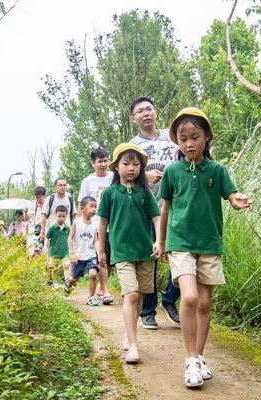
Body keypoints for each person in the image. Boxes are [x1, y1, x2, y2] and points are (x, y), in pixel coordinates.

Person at [156, 107, 252, 387]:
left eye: (194, 137)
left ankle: (198, 356)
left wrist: (238, 200)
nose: (189, 143)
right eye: (183, 138)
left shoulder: (217, 170)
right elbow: (165, 208)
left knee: (205, 302)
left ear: (206, 136)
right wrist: (161, 241)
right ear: (177, 141)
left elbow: (230, 195)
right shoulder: (172, 172)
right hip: (180, 243)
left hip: (209, 243)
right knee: (189, 298)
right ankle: (190, 359)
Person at [97, 143, 161, 364]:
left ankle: (129, 333)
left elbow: (156, 217)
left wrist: (159, 241)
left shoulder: (145, 193)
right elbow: (103, 223)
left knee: (141, 295)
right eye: (126, 163)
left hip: (145, 251)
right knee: (131, 294)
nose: (131, 168)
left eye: (136, 164)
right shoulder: (110, 193)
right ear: (116, 167)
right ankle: (133, 346)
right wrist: (100, 250)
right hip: (122, 251)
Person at [129, 96, 181, 330]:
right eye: (140, 111)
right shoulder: (133, 147)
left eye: (149, 109)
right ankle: (147, 311)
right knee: (150, 259)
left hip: (176, 206)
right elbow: (123, 178)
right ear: (134, 119)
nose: (146, 113)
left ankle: (170, 298)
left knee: (181, 253)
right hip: (147, 209)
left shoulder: (173, 139)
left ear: (156, 112)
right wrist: (144, 177)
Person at [77, 147, 114, 305]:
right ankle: (105, 290)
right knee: (102, 257)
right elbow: (81, 205)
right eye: (100, 161)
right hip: (97, 225)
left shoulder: (114, 177)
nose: (103, 164)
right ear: (93, 163)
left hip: (115, 223)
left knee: (111, 259)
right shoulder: (87, 181)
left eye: (106, 160)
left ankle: (101, 287)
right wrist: (81, 226)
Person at [65, 196, 100, 306]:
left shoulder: (95, 224)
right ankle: (68, 283)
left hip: (90, 254)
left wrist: (99, 253)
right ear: (83, 208)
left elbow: (96, 240)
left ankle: (90, 297)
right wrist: (72, 253)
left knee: (93, 274)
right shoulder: (76, 222)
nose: (94, 209)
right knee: (74, 279)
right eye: (91, 206)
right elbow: (70, 238)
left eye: (95, 207)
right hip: (78, 255)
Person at [38, 177, 77, 245]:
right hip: (52, 234)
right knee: (52, 254)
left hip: (66, 233)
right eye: (60, 185)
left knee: (66, 254)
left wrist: (75, 231)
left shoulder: (70, 199)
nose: (63, 187)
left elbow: (74, 216)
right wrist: (42, 232)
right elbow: (43, 216)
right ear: (55, 187)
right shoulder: (50, 199)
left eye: (64, 185)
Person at [45, 205, 71, 285]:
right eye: (59, 216)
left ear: (66, 216)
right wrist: (45, 247)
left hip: (65, 252)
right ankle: (55, 283)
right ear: (56, 216)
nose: (61, 218)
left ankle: (67, 282)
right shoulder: (52, 227)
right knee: (54, 268)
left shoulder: (67, 228)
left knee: (67, 266)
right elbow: (47, 237)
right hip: (54, 252)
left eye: (63, 216)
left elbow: (70, 239)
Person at [24, 186, 47, 256]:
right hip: (32, 232)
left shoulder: (48, 204)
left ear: (44, 195)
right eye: (37, 197)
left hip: (46, 232)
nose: (38, 199)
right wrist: (25, 212)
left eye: (40, 197)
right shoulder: (30, 204)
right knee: (31, 253)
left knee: (44, 254)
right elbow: (26, 219)